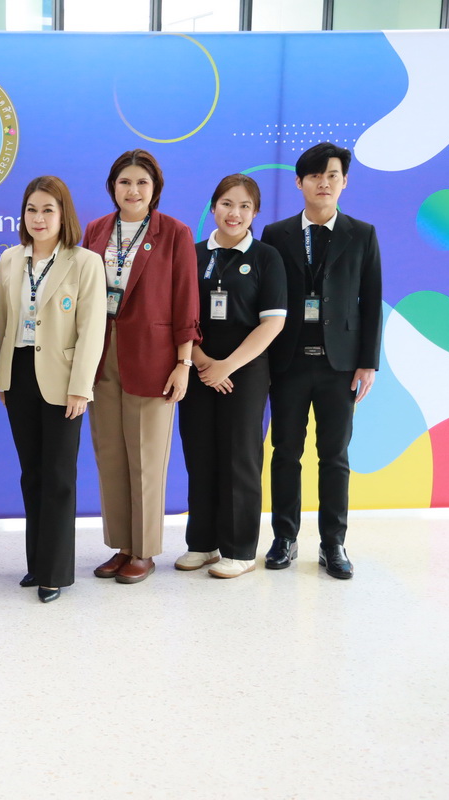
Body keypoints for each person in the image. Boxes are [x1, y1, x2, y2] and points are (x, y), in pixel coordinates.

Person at [261, 142, 382, 579]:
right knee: (285, 453)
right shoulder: (276, 234)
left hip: (341, 365)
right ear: (299, 182)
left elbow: (371, 301)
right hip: (288, 362)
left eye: (332, 175)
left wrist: (368, 362)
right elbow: (265, 300)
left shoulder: (362, 234)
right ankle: (284, 537)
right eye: (314, 175)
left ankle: (333, 543)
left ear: (344, 181)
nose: (323, 183)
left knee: (334, 456)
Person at [83, 149, 201, 585]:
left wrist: (184, 362)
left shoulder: (175, 232)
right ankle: (121, 545)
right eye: (124, 182)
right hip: (100, 355)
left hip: (153, 358)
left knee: (146, 459)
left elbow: (187, 301)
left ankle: (144, 550)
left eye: (141, 183)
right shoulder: (96, 230)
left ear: (155, 189)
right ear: (112, 187)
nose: (132, 190)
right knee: (110, 455)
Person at [0, 176, 106, 603]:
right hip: (19, 373)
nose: (38, 218)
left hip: (63, 379)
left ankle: (55, 572)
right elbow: (3, 321)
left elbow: (92, 330)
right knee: (32, 474)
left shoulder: (84, 262)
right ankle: (36, 563)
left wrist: (81, 387)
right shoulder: (10, 259)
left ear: (63, 215)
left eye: (47, 210)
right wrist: (3, 378)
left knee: (59, 476)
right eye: (31, 210)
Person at [175, 175, 286, 578]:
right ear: (213, 207)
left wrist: (226, 366)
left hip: (245, 372)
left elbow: (272, 323)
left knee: (240, 457)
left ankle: (240, 550)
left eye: (243, 206)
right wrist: (203, 362)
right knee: (199, 454)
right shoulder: (192, 254)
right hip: (198, 368)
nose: (233, 213)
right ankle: (202, 544)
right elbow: (178, 316)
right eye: (225, 203)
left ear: (255, 212)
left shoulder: (266, 257)